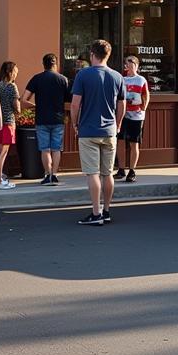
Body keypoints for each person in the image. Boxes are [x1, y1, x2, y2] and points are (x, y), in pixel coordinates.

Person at [71, 39, 125, 226]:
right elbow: (122, 105)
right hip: (110, 131)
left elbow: (75, 103)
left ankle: (96, 213)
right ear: (108, 55)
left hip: (88, 130)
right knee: (107, 172)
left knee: (92, 173)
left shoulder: (83, 75)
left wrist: (74, 123)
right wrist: (117, 125)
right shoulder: (117, 77)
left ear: (92, 55)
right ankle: (107, 210)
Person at [23, 53, 70, 186]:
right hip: (58, 118)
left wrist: (35, 106)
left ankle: (47, 174)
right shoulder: (63, 80)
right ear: (55, 64)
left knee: (45, 149)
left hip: (42, 118)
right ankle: (54, 175)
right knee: (56, 149)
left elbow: (24, 99)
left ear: (43, 64)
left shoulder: (37, 79)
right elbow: (69, 101)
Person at [114, 54, 150, 184]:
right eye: (127, 64)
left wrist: (143, 107)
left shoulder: (141, 80)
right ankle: (121, 168)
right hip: (123, 114)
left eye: (131, 64)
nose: (128, 67)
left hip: (136, 116)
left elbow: (146, 95)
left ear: (136, 66)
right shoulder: (122, 79)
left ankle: (132, 170)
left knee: (134, 143)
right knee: (121, 141)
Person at [0, 60, 20, 190]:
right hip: (8, 122)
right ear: (10, 72)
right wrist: (18, 110)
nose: (16, 73)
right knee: (3, 153)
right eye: (15, 71)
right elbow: (17, 106)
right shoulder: (12, 86)